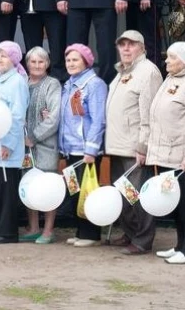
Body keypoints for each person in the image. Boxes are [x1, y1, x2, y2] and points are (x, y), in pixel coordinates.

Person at [141, 42, 185, 264]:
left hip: (183, 156)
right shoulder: (170, 80)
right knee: (174, 201)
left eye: (172, 58)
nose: (166, 61)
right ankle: (180, 246)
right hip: (165, 154)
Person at [105, 30, 162, 255]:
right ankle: (130, 233)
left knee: (137, 195)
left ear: (142, 47)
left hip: (134, 147)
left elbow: (150, 113)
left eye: (132, 44)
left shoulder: (148, 72)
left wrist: (143, 146)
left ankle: (143, 240)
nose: (126, 49)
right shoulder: (121, 72)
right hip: (117, 145)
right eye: (122, 45)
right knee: (124, 193)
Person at [58, 43, 108, 247]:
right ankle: (80, 230)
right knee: (75, 191)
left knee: (88, 191)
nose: (71, 63)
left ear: (86, 62)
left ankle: (91, 234)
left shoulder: (95, 84)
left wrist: (91, 149)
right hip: (70, 148)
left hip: (85, 150)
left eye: (75, 59)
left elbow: (98, 119)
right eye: (68, 60)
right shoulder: (69, 84)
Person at [0, 41, 29, 245]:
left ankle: (8, 232)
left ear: (14, 59)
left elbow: (18, 115)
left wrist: (9, 144)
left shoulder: (17, 81)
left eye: (5, 55)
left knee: (6, 191)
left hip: (6, 148)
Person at [21, 46, 61, 244]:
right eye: (33, 61)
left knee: (47, 187)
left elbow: (54, 117)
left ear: (47, 64)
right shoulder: (22, 83)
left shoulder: (52, 84)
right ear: (27, 64)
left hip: (45, 144)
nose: (37, 65)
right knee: (29, 185)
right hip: (25, 147)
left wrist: (34, 136)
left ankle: (48, 230)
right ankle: (34, 227)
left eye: (41, 61)